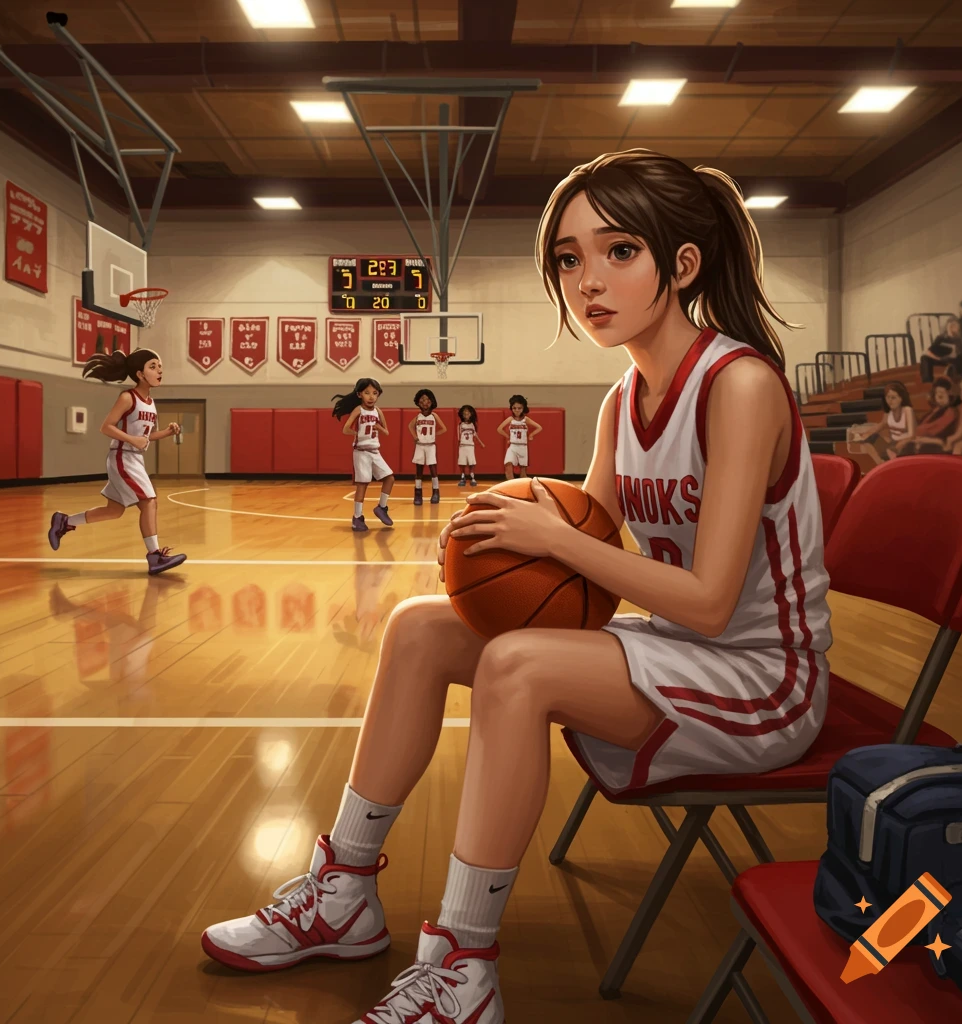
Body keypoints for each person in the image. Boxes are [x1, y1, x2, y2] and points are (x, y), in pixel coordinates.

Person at [199, 149, 831, 1024]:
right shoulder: (622, 401)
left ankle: (462, 967)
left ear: (682, 264)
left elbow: (710, 601)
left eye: (618, 252)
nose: (586, 281)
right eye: (569, 260)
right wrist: (503, 543)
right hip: (680, 655)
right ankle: (342, 889)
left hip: (764, 679)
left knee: (520, 667)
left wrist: (548, 540)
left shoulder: (742, 385)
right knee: (424, 625)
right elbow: (591, 559)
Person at [48, 349, 186, 575]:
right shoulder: (127, 397)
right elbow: (106, 427)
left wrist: (166, 433)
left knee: (114, 511)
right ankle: (155, 557)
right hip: (122, 457)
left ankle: (63, 521)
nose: (159, 370)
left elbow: (145, 437)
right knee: (149, 501)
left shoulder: (150, 403)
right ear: (140, 374)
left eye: (160, 366)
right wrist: (132, 439)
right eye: (153, 366)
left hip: (134, 458)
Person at [333, 378, 395, 532]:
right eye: (367, 393)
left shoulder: (378, 411)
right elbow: (345, 429)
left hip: (375, 451)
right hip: (361, 452)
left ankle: (381, 507)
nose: (371, 396)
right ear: (359, 394)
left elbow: (386, 432)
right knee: (363, 484)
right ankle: (357, 517)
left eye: (374, 393)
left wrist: (378, 427)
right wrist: (356, 434)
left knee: (390, 478)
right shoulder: (358, 410)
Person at [846, 382, 913, 466]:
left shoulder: (907, 411)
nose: (890, 401)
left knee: (891, 448)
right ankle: (881, 463)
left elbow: (912, 434)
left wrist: (898, 445)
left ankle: (890, 462)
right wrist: (865, 435)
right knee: (869, 439)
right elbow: (881, 425)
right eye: (888, 397)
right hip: (892, 442)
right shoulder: (889, 412)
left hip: (904, 443)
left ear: (901, 398)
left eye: (893, 398)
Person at [894, 377, 958, 455]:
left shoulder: (950, 411)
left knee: (908, 446)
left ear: (949, 394)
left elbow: (932, 430)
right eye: (937, 392)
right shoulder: (935, 410)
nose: (940, 395)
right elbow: (921, 427)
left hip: (936, 443)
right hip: (922, 440)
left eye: (943, 392)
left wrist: (912, 439)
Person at [409, 389, 447, 505]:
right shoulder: (418, 417)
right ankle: (418, 494)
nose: (425, 402)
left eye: (427, 400)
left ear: (431, 402)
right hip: (420, 446)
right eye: (422, 400)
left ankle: (436, 492)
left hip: (430, 446)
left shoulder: (434, 416)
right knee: (419, 471)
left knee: (433, 470)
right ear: (418, 402)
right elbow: (410, 426)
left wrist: (434, 435)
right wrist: (415, 436)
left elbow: (444, 428)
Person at [497, 395, 542, 480]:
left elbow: (539, 427)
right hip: (513, 446)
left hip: (523, 446)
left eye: (519, 408)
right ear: (511, 408)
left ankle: (522, 490)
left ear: (523, 408)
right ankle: (510, 487)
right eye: (514, 408)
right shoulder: (510, 419)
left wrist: (531, 435)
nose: (517, 410)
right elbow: (499, 429)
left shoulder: (525, 419)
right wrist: (508, 437)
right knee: (508, 465)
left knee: (523, 473)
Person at [919, 316, 962, 382]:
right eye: (951, 326)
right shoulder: (941, 337)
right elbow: (929, 351)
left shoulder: (960, 339)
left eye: (955, 326)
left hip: (955, 360)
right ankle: (927, 380)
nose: (953, 328)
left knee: (960, 359)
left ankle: (957, 378)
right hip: (942, 359)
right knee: (924, 358)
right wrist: (938, 358)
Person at [456, 405, 485, 487]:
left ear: (471, 414)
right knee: (462, 462)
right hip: (462, 446)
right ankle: (462, 477)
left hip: (470, 446)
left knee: (471, 462)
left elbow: (475, 435)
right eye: (464, 413)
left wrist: (481, 443)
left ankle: (472, 477)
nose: (466, 414)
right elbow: (458, 437)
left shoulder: (472, 425)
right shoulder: (460, 425)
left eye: (468, 413)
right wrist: (458, 446)